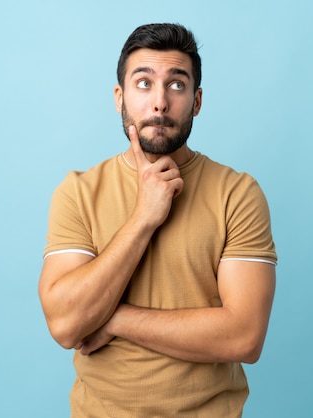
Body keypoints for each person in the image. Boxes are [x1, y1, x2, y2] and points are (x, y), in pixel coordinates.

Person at [38, 23, 277, 417]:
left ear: (197, 101)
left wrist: (113, 318)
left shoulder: (237, 193)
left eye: (177, 85)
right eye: (144, 83)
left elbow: (245, 337)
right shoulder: (78, 191)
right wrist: (143, 218)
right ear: (120, 98)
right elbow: (65, 325)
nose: (160, 103)